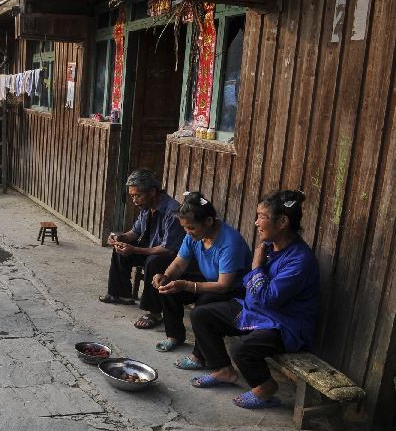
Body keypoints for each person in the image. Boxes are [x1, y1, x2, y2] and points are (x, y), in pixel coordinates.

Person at [184, 190, 319, 409]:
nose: (256, 222)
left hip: (285, 325)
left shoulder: (300, 260)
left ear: (283, 221)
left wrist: (257, 266)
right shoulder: (269, 248)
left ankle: (265, 387)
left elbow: (267, 298)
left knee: (241, 349)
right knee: (201, 314)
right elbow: (251, 286)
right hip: (255, 312)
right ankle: (223, 370)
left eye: (262, 217)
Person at [151, 192, 251, 354]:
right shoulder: (193, 235)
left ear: (209, 221)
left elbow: (223, 286)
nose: (187, 232)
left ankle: (201, 355)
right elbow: (178, 265)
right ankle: (174, 336)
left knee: (205, 302)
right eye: (184, 227)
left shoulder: (230, 243)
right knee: (169, 287)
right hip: (210, 280)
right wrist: (166, 276)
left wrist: (187, 285)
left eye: (191, 227)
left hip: (234, 291)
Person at [100, 169, 185, 332]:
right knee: (120, 249)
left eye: (137, 195)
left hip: (169, 257)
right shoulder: (146, 207)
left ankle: (154, 312)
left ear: (152, 192)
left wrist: (136, 249)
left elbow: (168, 248)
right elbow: (135, 233)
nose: (134, 200)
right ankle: (120, 293)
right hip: (148, 249)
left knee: (154, 261)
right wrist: (119, 238)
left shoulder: (173, 211)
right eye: (132, 196)